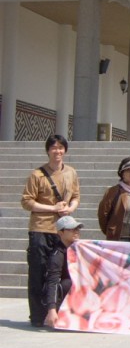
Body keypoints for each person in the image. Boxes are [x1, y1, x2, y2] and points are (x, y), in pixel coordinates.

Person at [21, 135, 80, 327]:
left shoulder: (71, 173)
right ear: (48, 150)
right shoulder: (37, 175)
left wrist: (70, 208)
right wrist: (52, 208)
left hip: (63, 231)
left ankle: (58, 313)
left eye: (61, 147)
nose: (57, 151)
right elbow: (27, 201)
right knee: (38, 272)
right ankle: (38, 317)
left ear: (65, 150)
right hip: (41, 228)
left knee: (62, 273)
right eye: (54, 148)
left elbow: (76, 196)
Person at [42, 216, 82, 328]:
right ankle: (58, 314)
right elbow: (52, 283)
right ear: (60, 233)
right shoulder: (56, 256)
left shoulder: (81, 248)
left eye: (77, 228)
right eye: (72, 229)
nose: (76, 231)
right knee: (67, 283)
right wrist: (51, 310)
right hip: (63, 293)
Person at [97, 157, 130, 242]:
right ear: (122, 174)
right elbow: (103, 214)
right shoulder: (113, 191)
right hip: (119, 237)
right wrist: (111, 230)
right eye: (128, 170)